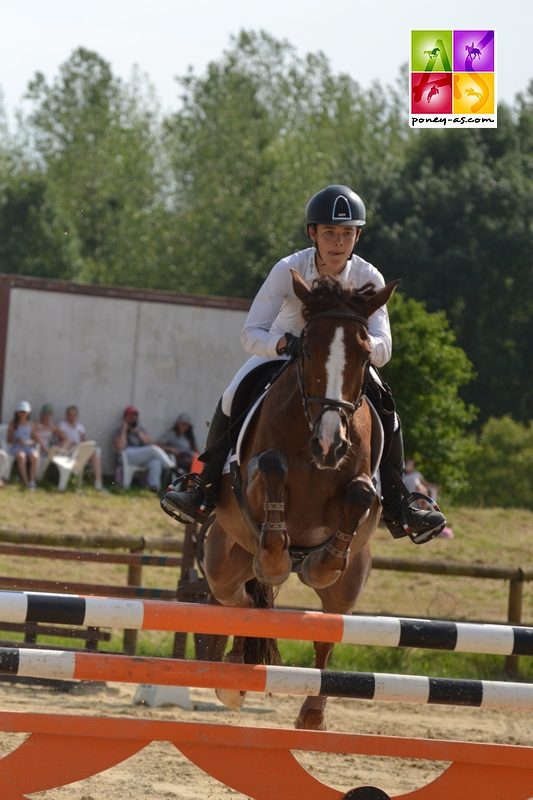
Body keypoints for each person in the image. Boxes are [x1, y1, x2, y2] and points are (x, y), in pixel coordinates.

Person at [163, 184, 446, 544]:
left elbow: (384, 346)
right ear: (313, 233)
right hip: (286, 349)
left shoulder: (368, 277)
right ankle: (202, 490)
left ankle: (399, 503)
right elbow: (250, 333)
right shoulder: (288, 269)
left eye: (346, 234)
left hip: (343, 360)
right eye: (329, 232)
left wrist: (354, 347)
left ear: (357, 236)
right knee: (233, 395)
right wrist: (283, 343)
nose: (338, 243)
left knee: (388, 411)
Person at [113, 406, 174, 492]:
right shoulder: (119, 430)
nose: (133, 418)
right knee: (153, 450)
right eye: (130, 416)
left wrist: (138, 432)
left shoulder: (139, 429)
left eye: (135, 416)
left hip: (141, 456)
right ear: (125, 417)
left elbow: (150, 443)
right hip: (128, 456)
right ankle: (171, 467)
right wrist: (124, 430)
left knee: (155, 462)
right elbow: (121, 448)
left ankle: (154, 488)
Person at [58, 405, 105, 491]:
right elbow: (62, 439)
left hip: (79, 450)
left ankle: (98, 482)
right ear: (66, 415)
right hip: (68, 451)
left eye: (74, 415)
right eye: (70, 414)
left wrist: (85, 441)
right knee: (71, 443)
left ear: (76, 416)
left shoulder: (80, 427)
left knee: (94, 453)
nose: (72, 417)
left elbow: (84, 440)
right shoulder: (62, 425)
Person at [7, 400, 40, 489]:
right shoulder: (13, 424)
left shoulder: (32, 424)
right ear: (17, 412)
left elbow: (36, 439)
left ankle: (32, 481)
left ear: (28, 413)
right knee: (21, 456)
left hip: (28, 447)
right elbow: (9, 440)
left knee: (35, 456)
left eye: (24, 412)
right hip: (17, 447)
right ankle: (25, 482)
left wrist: (29, 442)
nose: (23, 413)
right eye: (21, 411)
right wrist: (17, 440)